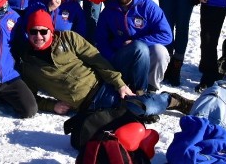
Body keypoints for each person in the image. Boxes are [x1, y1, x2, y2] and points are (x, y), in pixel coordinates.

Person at [18, 10, 192, 121]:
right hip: (87, 109)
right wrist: (52, 106)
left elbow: (97, 59)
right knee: (131, 114)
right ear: (28, 33)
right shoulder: (29, 65)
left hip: (103, 87)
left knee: (142, 107)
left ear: (51, 30)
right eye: (33, 31)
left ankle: (170, 100)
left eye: (43, 31)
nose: (38, 36)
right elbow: (31, 98)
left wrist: (119, 84)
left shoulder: (68, 38)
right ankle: (142, 108)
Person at [95, 0, 172, 93]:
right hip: (120, 56)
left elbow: (166, 35)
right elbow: (101, 40)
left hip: (145, 54)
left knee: (159, 52)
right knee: (138, 48)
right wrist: (111, 58)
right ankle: (125, 84)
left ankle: (150, 88)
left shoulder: (148, 7)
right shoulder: (109, 10)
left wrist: (138, 42)